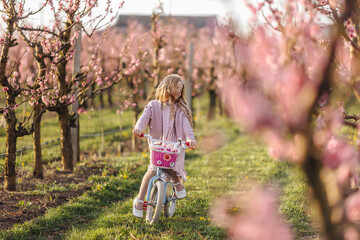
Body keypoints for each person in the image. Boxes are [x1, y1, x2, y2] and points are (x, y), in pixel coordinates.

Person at [132, 74, 197, 218]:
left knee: (172, 165)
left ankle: (177, 183)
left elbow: (186, 126)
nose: (180, 92)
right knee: (152, 170)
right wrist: (138, 128)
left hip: (174, 145)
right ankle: (139, 200)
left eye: (181, 89)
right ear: (168, 87)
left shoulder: (180, 109)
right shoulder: (153, 105)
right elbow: (143, 118)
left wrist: (190, 139)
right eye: (177, 88)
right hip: (157, 145)